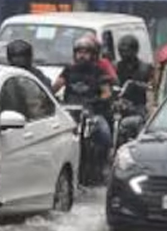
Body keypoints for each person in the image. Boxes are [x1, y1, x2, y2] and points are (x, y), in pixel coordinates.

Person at [52, 35, 115, 179]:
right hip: (69, 113)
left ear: (93, 55)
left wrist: (99, 100)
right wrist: (49, 96)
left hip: (92, 113)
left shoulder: (98, 72)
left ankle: (103, 165)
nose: (82, 55)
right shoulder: (69, 70)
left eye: (86, 52)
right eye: (79, 52)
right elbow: (56, 86)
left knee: (104, 133)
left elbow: (106, 92)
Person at [115, 34, 153, 113]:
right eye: (121, 51)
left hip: (138, 105)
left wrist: (136, 85)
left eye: (126, 51)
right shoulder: (116, 67)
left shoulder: (145, 68)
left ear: (134, 50)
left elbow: (152, 88)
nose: (123, 54)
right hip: (120, 104)